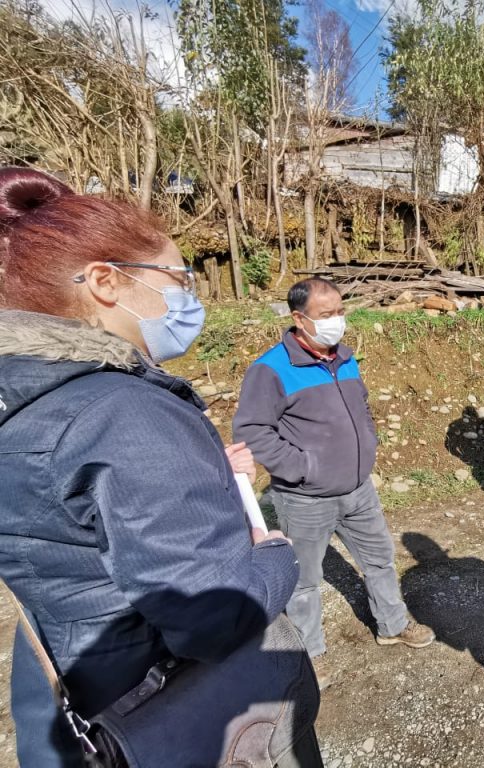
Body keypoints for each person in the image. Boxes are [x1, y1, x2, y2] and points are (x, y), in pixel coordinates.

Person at [0, 167, 314, 766]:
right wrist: (276, 555)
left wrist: (195, 480)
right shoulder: (122, 411)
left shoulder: (25, 395)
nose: (188, 297)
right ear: (105, 282)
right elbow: (213, 616)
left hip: (75, 680)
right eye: (177, 277)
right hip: (159, 702)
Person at [233, 277, 434, 656]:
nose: (336, 321)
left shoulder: (345, 357)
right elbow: (253, 431)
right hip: (306, 499)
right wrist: (303, 467)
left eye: (340, 312)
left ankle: (392, 625)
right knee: (304, 581)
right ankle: (308, 656)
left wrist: (368, 444)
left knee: (380, 560)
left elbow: (362, 408)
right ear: (299, 318)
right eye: (326, 315)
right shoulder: (271, 368)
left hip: (359, 490)